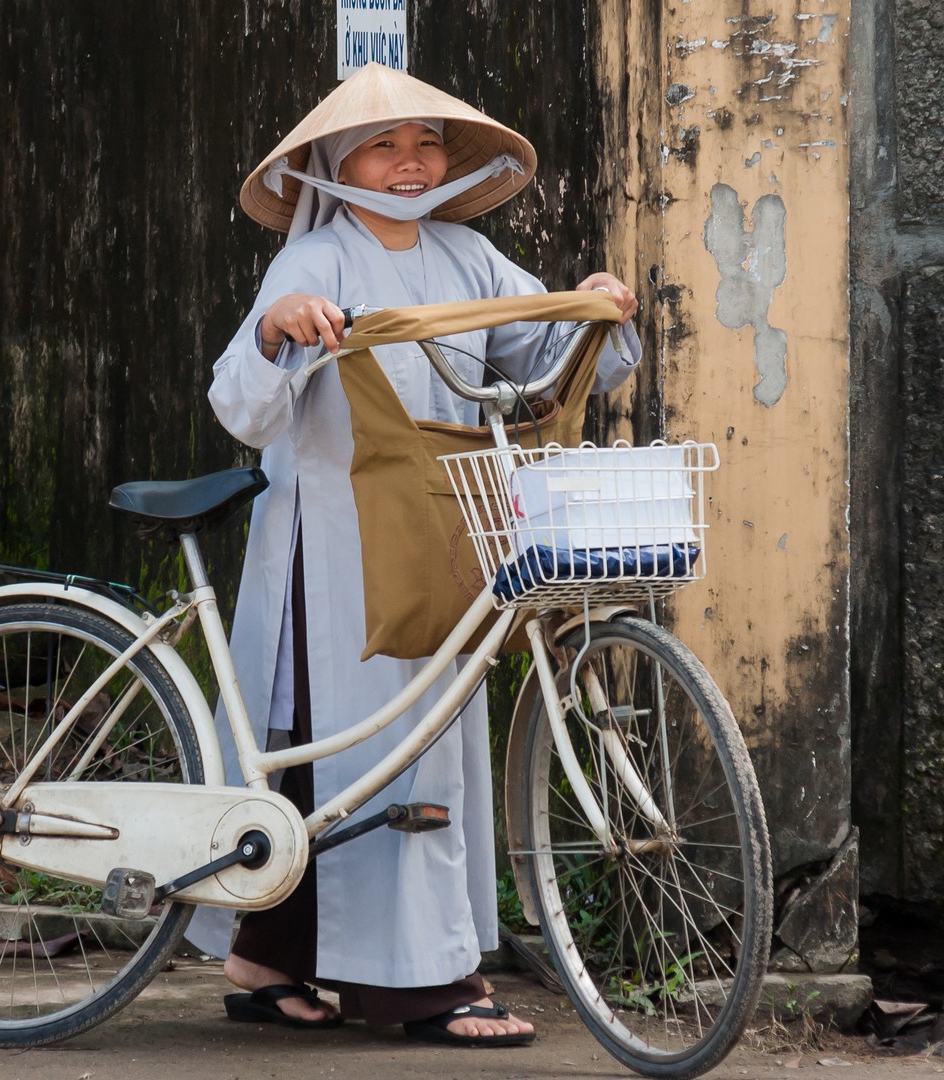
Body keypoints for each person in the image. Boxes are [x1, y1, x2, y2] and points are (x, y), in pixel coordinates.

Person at [185, 63, 641, 1048]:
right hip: (337, 547)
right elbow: (241, 404)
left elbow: (539, 347)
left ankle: (269, 962)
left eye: (426, 144)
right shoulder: (316, 261)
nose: (409, 162)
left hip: (445, 529)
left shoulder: (469, 256)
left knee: (408, 740)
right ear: (339, 164)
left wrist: (590, 306)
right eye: (385, 145)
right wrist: (277, 329)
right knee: (347, 746)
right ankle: (417, 987)